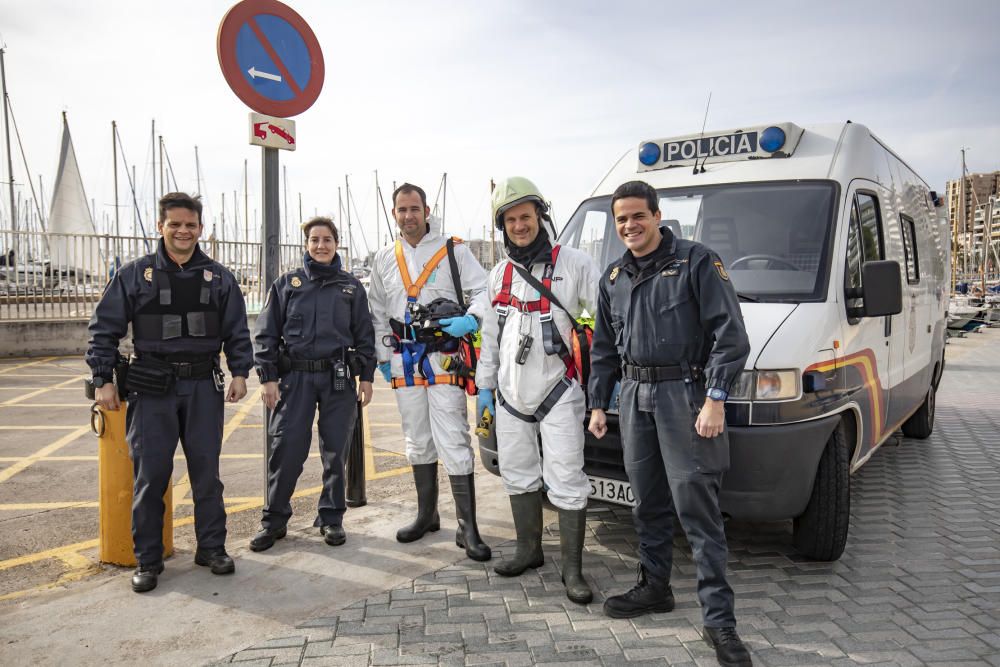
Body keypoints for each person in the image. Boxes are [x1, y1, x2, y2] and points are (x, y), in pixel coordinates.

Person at [588, 181, 753, 666]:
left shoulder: (697, 262)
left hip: (686, 395)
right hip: (635, 395)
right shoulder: (614, 277)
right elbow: (603, 348)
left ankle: (720, 622)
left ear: (657, 216)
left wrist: (715, 399)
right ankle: (655, 588)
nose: (629, 226)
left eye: (638, 216)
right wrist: (599, 404)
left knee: (697, 509)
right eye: (621, 219)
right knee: (648, 502)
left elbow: (731, 336)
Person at [86, 192, 253, 593]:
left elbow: (237, 330)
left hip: (202, 387)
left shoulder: (219, 277)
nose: (183, 231)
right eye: (175, 224)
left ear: (200, 228)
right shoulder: (134, 274)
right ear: (160, 226)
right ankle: (148, 559)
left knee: (206, 474)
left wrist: (241, 372)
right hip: (152, 389)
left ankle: (211, 548)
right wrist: (102, 379)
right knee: (151, 475)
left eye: (190, 225)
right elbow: (103, 329)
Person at [476, 176, 599, 603]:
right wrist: (485, 389)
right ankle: (529, 550)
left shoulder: (576, 264)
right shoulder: (499, 275)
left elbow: (604, 322)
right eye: (510, 220)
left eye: (525, 216)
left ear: (540, 215)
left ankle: (573, 571)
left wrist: (601, 387)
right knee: (517, 473)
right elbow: (489, 338)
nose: (519, 225)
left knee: (566, 477)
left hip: (559, 391)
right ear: (503, 225)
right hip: (510, 398)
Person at [368, 183, 491, 561]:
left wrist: (471, 320)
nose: (408, 216)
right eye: (402, 210)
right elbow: (375, 308)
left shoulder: (454, 250)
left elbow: (485, 291)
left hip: (443, 353)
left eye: (414, 209)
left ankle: (468, 527)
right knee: (416, 438)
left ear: (427, 210)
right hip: (403, 356)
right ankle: (426, 514)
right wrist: (381, 357)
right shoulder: (384, 257)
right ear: (394, 214)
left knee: (453, 437)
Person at [250, 217, 376, 551]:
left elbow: (364, 335)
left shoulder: (351, 287)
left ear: (337, 243)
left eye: (327, 240)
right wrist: (268, 377)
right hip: (295, 379)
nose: (321, 246)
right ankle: (274, 521)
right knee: (286, 449)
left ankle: (331, 519)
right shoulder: (287, 285)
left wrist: (366, 377)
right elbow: (265, 334)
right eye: (315, 240)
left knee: (336, 452)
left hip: (338, 378)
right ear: (306, 244)